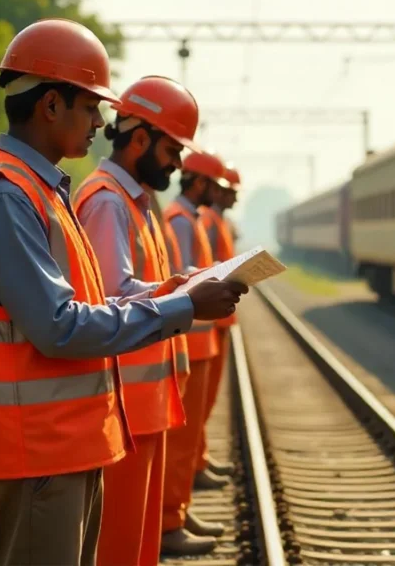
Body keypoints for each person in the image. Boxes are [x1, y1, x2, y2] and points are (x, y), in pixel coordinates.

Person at [0, 19, 247, 566]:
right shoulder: (7, 196)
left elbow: (86, 303)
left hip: (61, 445)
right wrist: (179, 307)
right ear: (51, 105)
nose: (100, 123)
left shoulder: (42, 190)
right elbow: (60, 325)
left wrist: (167, 295)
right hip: (34, 450)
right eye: (90, 107)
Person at [71, 75, 215, 562]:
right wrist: (186, 298)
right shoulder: (108, 201)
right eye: (173, 152)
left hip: (143, 402)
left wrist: (182, 286)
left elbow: (135, 287)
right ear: (139, 140)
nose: (178, 165)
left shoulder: (129, 200)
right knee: (121, 546)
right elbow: (112, 301)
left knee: (139, 543)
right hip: (126, 407)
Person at [160, 150, 233, 553]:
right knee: (183, 436)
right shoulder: (180, 219)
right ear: (200, 183)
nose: (226, 196)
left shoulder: (188, 219)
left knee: (190, 435)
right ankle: (169, 519)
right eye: (219, 186)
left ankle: (177, 511)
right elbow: (182, 276)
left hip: (200, 335)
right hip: (190, 336)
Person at [197, 163, 241, 464]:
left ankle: (200, 457)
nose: (235, 200)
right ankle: (196, 461)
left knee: (207, 399)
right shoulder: (207, 221)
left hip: (219, 318)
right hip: (208, 321)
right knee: (201, 400)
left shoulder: (217, 221)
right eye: (231, 193)